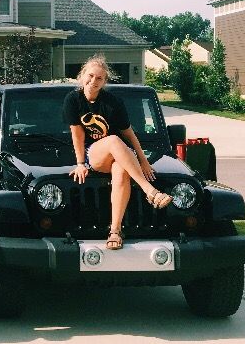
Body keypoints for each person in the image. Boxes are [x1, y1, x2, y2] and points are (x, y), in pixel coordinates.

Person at [63, 55, 172, 251]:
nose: (93, 81)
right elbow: (77, 135)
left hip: (119, 154)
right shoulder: (73, 100)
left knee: (121, 170)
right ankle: (150, 191)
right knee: (113, 139)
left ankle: (115, 231)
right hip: (94, 154)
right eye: (90, 76)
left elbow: (129, 134)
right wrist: (80, 163)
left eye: (99, 78)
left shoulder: (113, 102)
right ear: (82, 75)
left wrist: (144, 161)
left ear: (104, 81)